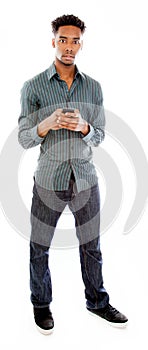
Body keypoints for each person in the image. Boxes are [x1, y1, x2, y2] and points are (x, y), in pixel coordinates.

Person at [18, 14, 128, 335]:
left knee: (91, 246)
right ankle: (41, 305)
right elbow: (24, 137)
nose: (69, 46)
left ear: (81, 44)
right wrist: (47, 123)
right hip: (48, 180)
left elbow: (101, 135)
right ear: (53, 41)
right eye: (63, 39)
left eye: (75, 41)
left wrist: (85, 127)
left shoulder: (93, 88)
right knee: (39, 246)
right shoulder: (34, 87)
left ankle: (97, 301)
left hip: (85, 181)